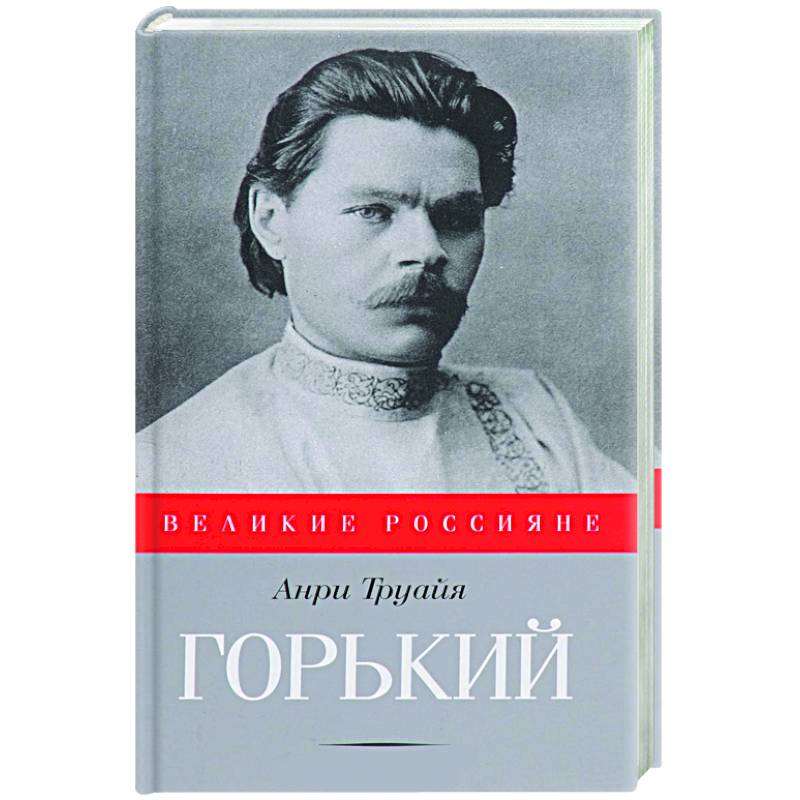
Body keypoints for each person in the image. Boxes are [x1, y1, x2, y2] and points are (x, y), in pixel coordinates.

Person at [136, 49, 633, 493]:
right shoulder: (171, 466)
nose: (427, 250)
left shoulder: (538, 422)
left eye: (457, 217)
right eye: (373, 211)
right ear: (270, 219)